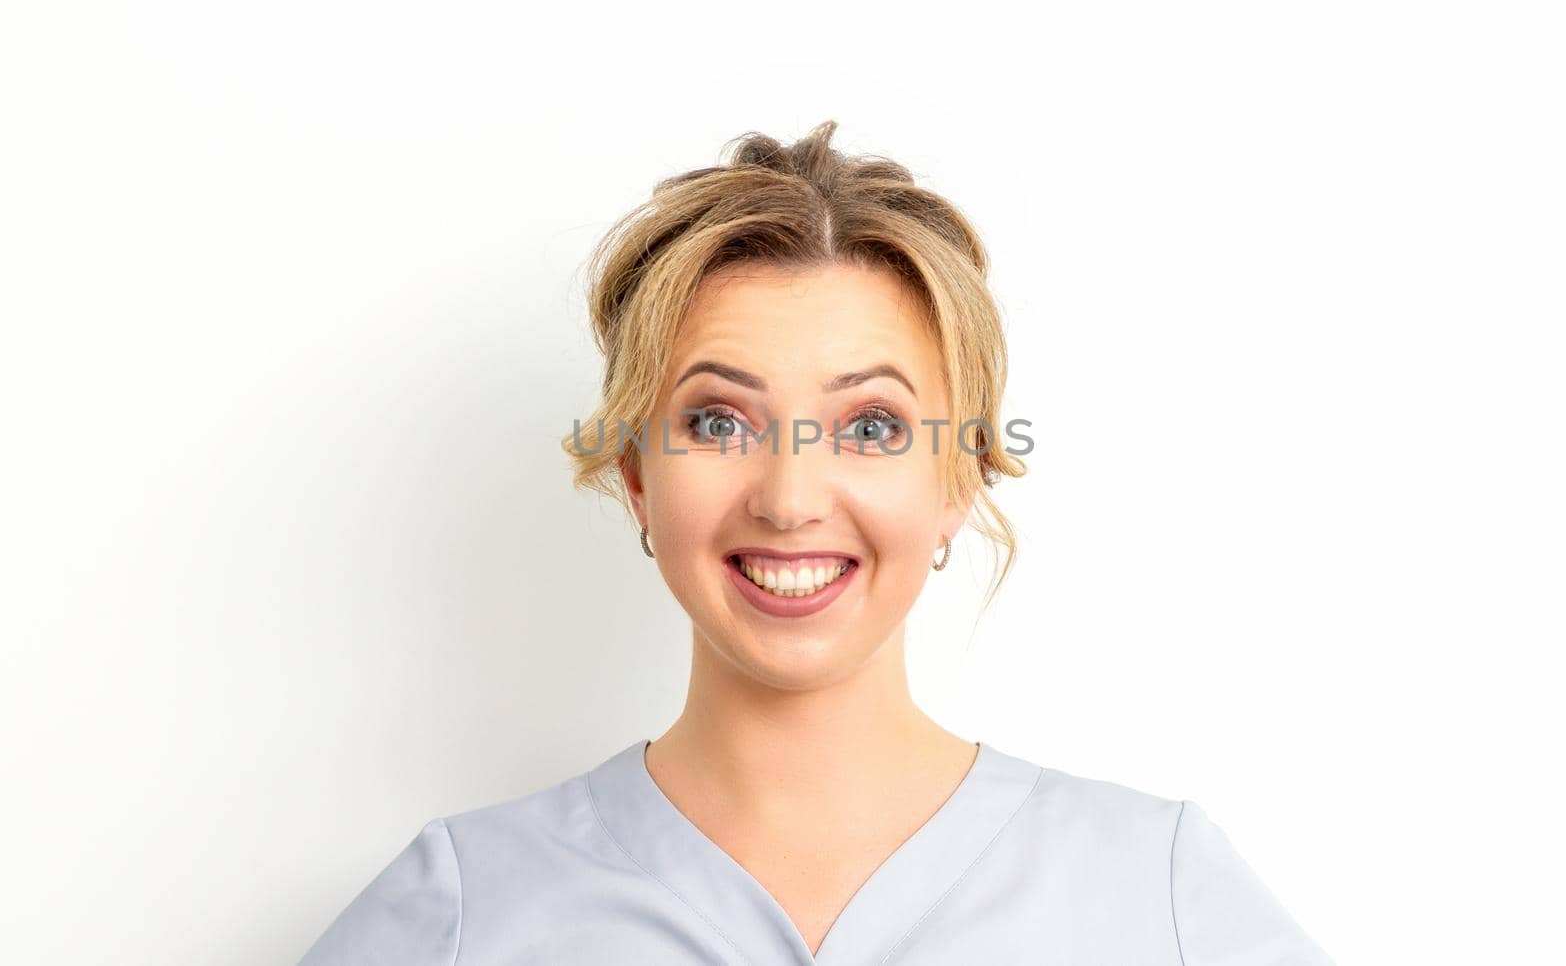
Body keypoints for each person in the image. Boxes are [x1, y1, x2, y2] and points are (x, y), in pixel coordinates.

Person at [298, 121, 1334, 964]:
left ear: (958, 476)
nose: (790, 497)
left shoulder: (1157, 891)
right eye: (717, 421)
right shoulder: (466, 909)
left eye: (872, 426)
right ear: (637, 478)